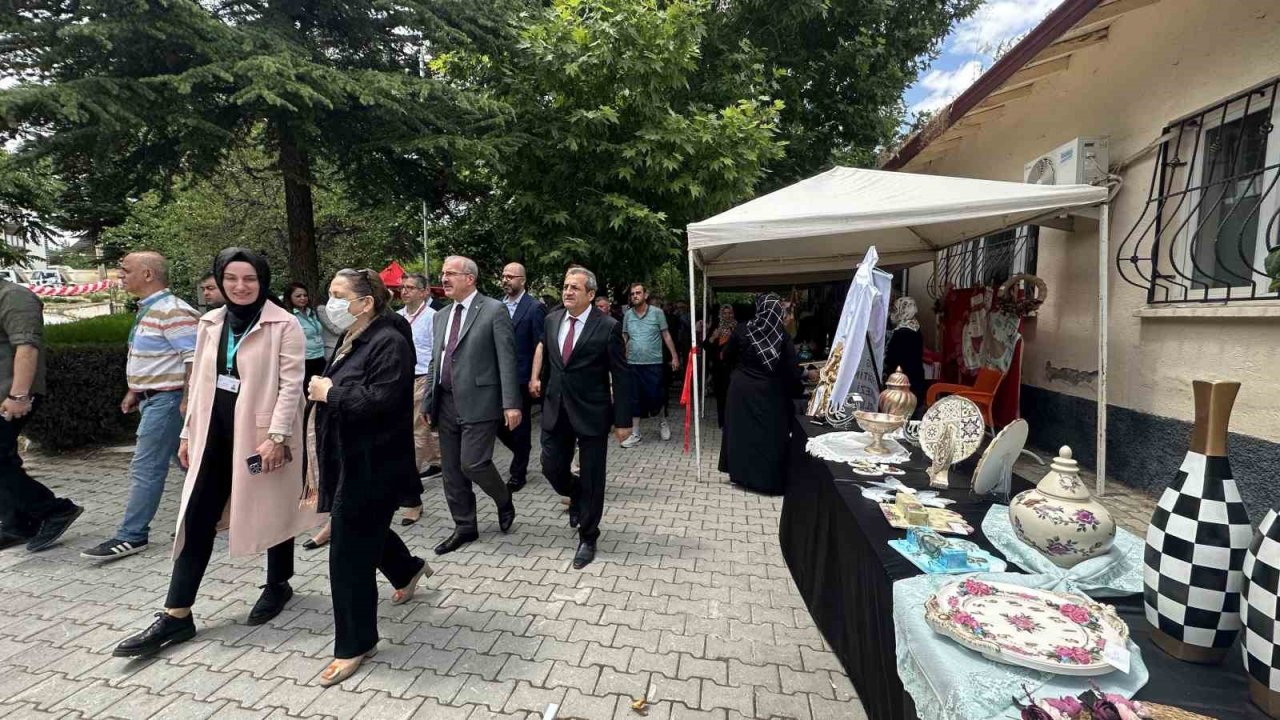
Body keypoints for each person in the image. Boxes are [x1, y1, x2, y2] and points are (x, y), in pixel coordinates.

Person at [112, 248, 321, 658]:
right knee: (196, 517)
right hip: (213, 433)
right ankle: (177, 615)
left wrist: (277, 436)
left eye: (250, 279)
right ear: (220, 281)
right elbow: (201, 383)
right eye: (231, 279)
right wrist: (188, 434)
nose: (241, 287)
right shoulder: (210, 322)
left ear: (263, 282)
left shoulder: (285, 324)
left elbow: (291, 385)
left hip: (262, 434)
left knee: (274, 510)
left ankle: (278, 583)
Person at [306, 268, 430, 686]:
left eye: (339, 296)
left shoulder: (389, 341)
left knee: (347, 555)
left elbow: (382, 401)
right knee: (365, 533)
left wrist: (331, 393)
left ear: (366, 302)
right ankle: (407, 569)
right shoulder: (355, 334)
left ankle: (354, 644)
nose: (331, 303)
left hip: (373, 464)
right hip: (352, 458)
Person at [84, 252, 198, 561]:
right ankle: (213, 516)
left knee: (146, 467)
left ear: (148, 274)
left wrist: (187, 400)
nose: (120, 275)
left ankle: (132, 536)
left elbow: (194, 358)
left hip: (168, 401)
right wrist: (134, 390)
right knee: (189, 465)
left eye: (125, 270)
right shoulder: (151, 309)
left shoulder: (172, 310)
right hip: (156, 399)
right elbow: (156, 357)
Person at [531, 267, 631, 569]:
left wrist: (623, 420)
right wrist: (539, 385)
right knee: (551, 467)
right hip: (556, 409)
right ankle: (575, 494)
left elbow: (621, 375)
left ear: (590, 294)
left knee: (592, 477)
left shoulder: (608, 326)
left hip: (592, 412)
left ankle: (588, 535)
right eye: (565, 286)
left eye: (575, 287)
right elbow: (552, 364)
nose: (567, 291)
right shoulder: (551, 321)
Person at [422, 255, 520, 556]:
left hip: (481, 401)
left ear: (470, 278)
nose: (444, 278)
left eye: (451, 273)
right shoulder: (441, 316)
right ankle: (465, 526)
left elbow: (506, 358)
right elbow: (434, 362)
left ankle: (503, 498)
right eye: (442, 273)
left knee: (473, 463)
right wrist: (428, 399)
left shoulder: (494, 310)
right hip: (446, 402)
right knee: (452, 471)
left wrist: (511, 404)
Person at [0, 278, 83, 552]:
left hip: (11, 395)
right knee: (5, 459)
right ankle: (17, 525)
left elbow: (27, 347)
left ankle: (55, 510)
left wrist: (19, 396)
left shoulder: (14, 296)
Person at [718, 294, 803, 494]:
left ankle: (741, 476)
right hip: (770, 392)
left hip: (741, 390)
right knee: (768, 435)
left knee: (742, 433)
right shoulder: (782, 334)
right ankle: (766, 480)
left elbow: (727, 356)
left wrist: (740, 370)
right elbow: (791, 368)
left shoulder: (742, 329)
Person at [396, 272, 440, 527]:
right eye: (403, 288)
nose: (406, 292)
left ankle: (408, 493)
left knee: (416, 432)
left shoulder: (433, 318)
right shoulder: (397, 318)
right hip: (399, 380)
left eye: (411, 288)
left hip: (423, 378)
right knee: (413, 431)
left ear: (425, 292)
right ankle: (439, 462)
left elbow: (438, 352)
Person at [498, 262, 546, 493]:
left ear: (522, 280)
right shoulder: (497, 306)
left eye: (511, 276)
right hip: (497, 375)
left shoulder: (534, 307)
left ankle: (518, 472)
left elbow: (540, 343)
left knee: (520, 424)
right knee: (498, 423)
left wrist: (534, 376)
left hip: (521, 375)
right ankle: (522, 450)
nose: (505, 280)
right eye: (504, 276)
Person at [620, 283, 679, 447]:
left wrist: (674, 357)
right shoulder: (628, 315)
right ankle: (636, 433)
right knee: (635, 398)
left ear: (646, 295)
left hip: (653, 363)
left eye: (638, 293)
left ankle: (662, 421)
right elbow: (624, 338)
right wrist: (620, 359)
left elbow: (666, 335)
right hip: (633, 363)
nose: (635, 296)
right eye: (632, 294)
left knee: (656, 396)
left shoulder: (657, 313)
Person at [883, 297, 926, 418]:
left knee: (899, 416)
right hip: (916, 378)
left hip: (900, 381)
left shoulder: (901, 333)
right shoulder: (916, 329)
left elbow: (893, 358)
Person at [701, 304, 737, 429]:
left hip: (733, 368)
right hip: (719, 368)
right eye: (725, 313)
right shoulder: (716, 328)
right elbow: (705, 346)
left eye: (730, 313)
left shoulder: (737, 328)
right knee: (721, 396)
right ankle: (722, 422)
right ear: (721, 315)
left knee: (733, 396)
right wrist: (713, 337)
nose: (727, 316)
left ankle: (732, 421)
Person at [285, 282, 327, 386]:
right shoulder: (289, 316)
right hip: (304, 360)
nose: (303, 298)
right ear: (290, 298)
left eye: (305, 295)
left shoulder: (311, 312)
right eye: (298, 296)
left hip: (320, 356)